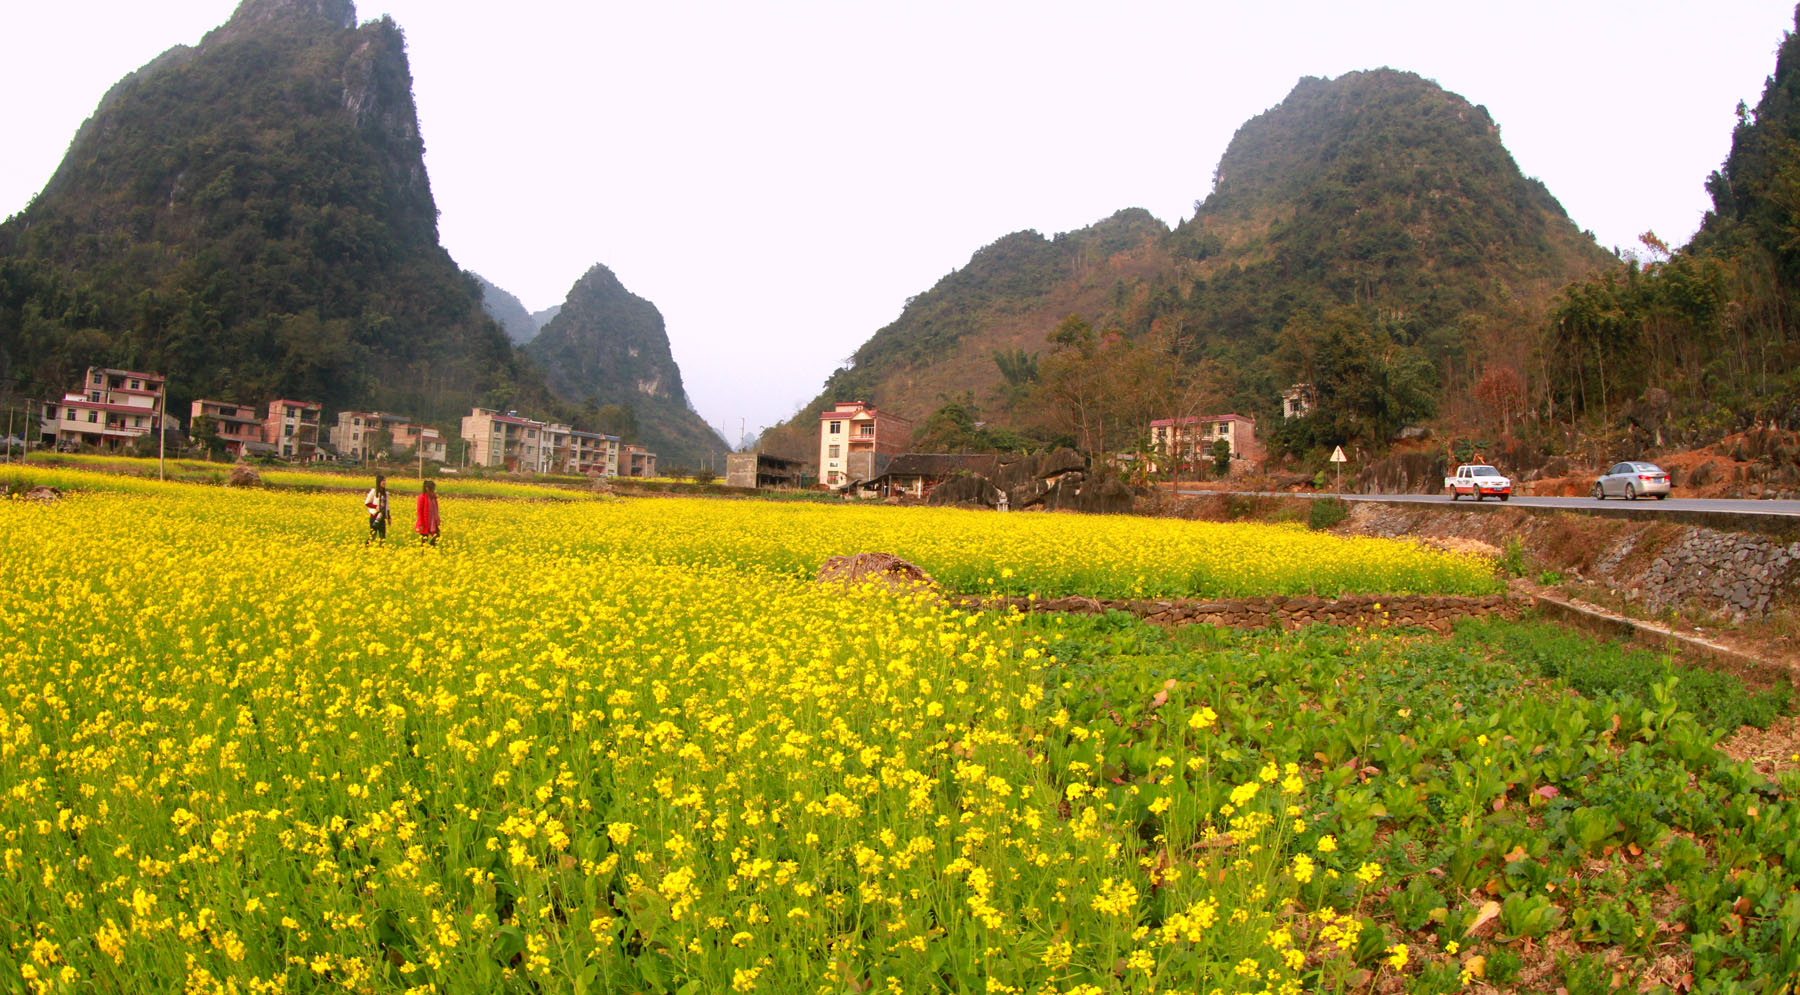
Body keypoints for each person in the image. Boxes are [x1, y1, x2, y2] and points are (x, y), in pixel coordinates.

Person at [363, 475, 389, 544]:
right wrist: (375, 507)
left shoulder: (386, 493)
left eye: (385, 481)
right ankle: (366, 548)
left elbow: (387, 507)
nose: (384, 482)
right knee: (372, 536)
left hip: (382, 518)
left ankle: (382, 551)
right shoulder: (374, 492)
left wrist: (389, 517)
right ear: (379, 482)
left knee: (382, 537)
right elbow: (367, 503)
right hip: (374, 517)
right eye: (383, 481)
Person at [415, 479, 442, 546]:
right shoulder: (422, 497)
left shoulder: (434, 497)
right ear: (427, 489)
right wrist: (421, 524)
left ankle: (430, 550)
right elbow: (419, 511)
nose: (434, 490)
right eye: (432, 489)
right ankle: (424, 554)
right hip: (425, 523)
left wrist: (437, 520)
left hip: (432, 522)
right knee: (424, 540)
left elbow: (435, 510)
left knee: (437, 536)